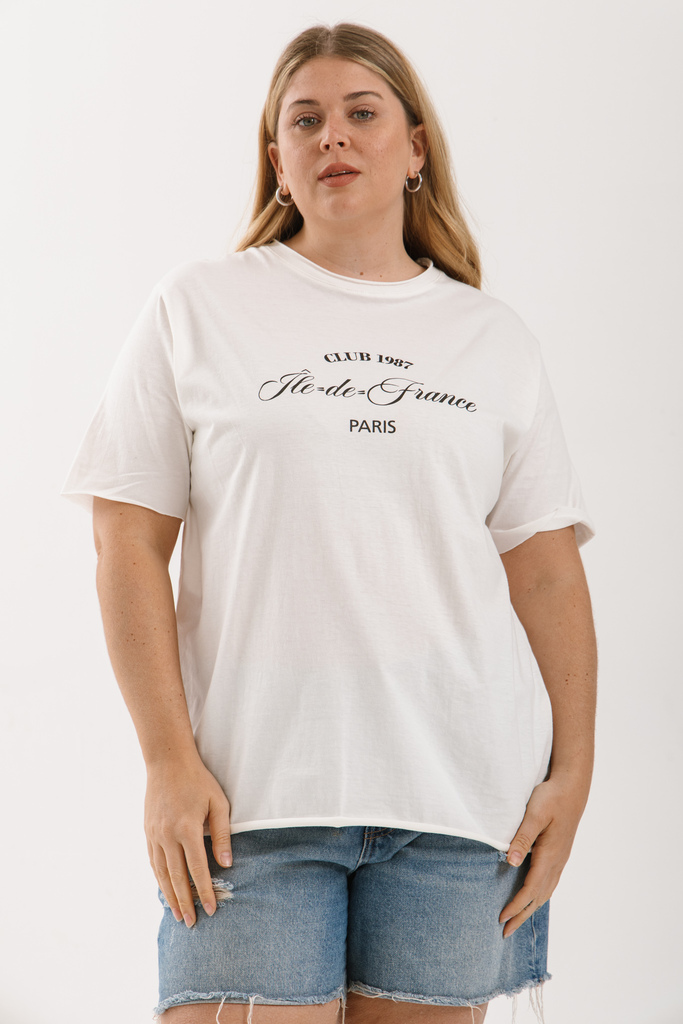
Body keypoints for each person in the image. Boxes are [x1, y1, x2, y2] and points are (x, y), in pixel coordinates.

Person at [62, 21, 597, 1024]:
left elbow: (544, 572)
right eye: (303, 120)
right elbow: (126, 543)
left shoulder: (491, 339)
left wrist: (572, 774)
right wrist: (167, 761)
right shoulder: (198, 308)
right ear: (277, 159)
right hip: (247, 804)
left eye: (361, 112)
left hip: (457, 805)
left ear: (414, 147)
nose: (332, 136)